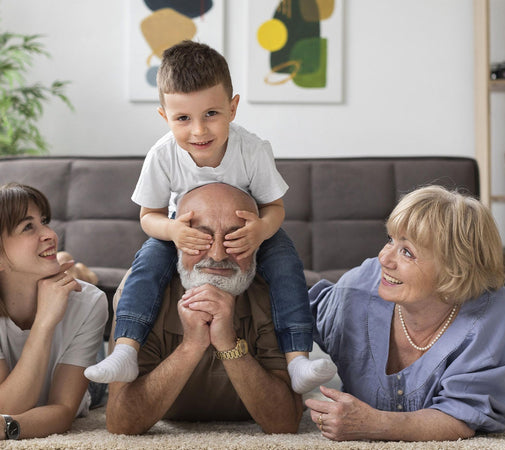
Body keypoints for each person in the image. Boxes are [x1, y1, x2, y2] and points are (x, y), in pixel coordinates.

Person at [85, 40, 335, 395]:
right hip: (185, 231)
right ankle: (126, 348)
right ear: (164, 117)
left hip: (249, 230)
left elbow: (275, 208)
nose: (199, 131)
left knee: (286, 262)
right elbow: (149, 216)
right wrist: (171, 230)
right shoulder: (162, 155)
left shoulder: (252, 149)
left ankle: (297, 359)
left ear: (232, 108)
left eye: (211, 115)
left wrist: (261, 230)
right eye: (183, 119)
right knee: (147, 262)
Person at [306, 185, 505, 442]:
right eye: (390, 240)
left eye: (407, 252)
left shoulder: (490, 316)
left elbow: (460, 417)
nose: (384, 258)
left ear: (455, 268)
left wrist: (374, 423)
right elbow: (295, 319)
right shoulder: (356, 289)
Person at [106, 183, 303, 435]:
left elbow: (285, 423)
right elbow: (120, 422)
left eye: (236, 238)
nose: (218, 255)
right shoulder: (141, 295)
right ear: (174, 241)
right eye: (200, 238)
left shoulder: (275, 294)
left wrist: (228, 343)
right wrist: (191, 346)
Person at [0, 183, 108, 449]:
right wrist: (44, 322)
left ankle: (79, 271)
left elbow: (63, 411)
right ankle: (72, 265)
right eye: (28, 227)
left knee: (97, 385)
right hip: (38, 349)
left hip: (86, 384)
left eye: (44, 221)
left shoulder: (89, 301)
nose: (50, 233)